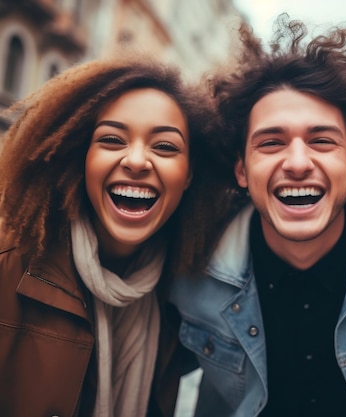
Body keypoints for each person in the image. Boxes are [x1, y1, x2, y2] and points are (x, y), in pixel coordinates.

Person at [170, 15, 346, 417]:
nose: (298, 162)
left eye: (321, 140)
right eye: (272, 142)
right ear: (241, 170)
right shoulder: (184, 267)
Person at [0, 55, 231, 417]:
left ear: (188, 176)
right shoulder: (8, 262)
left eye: (165, 146)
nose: (137, 161)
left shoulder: (184, 297)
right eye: (112, 139)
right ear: (83, 157)